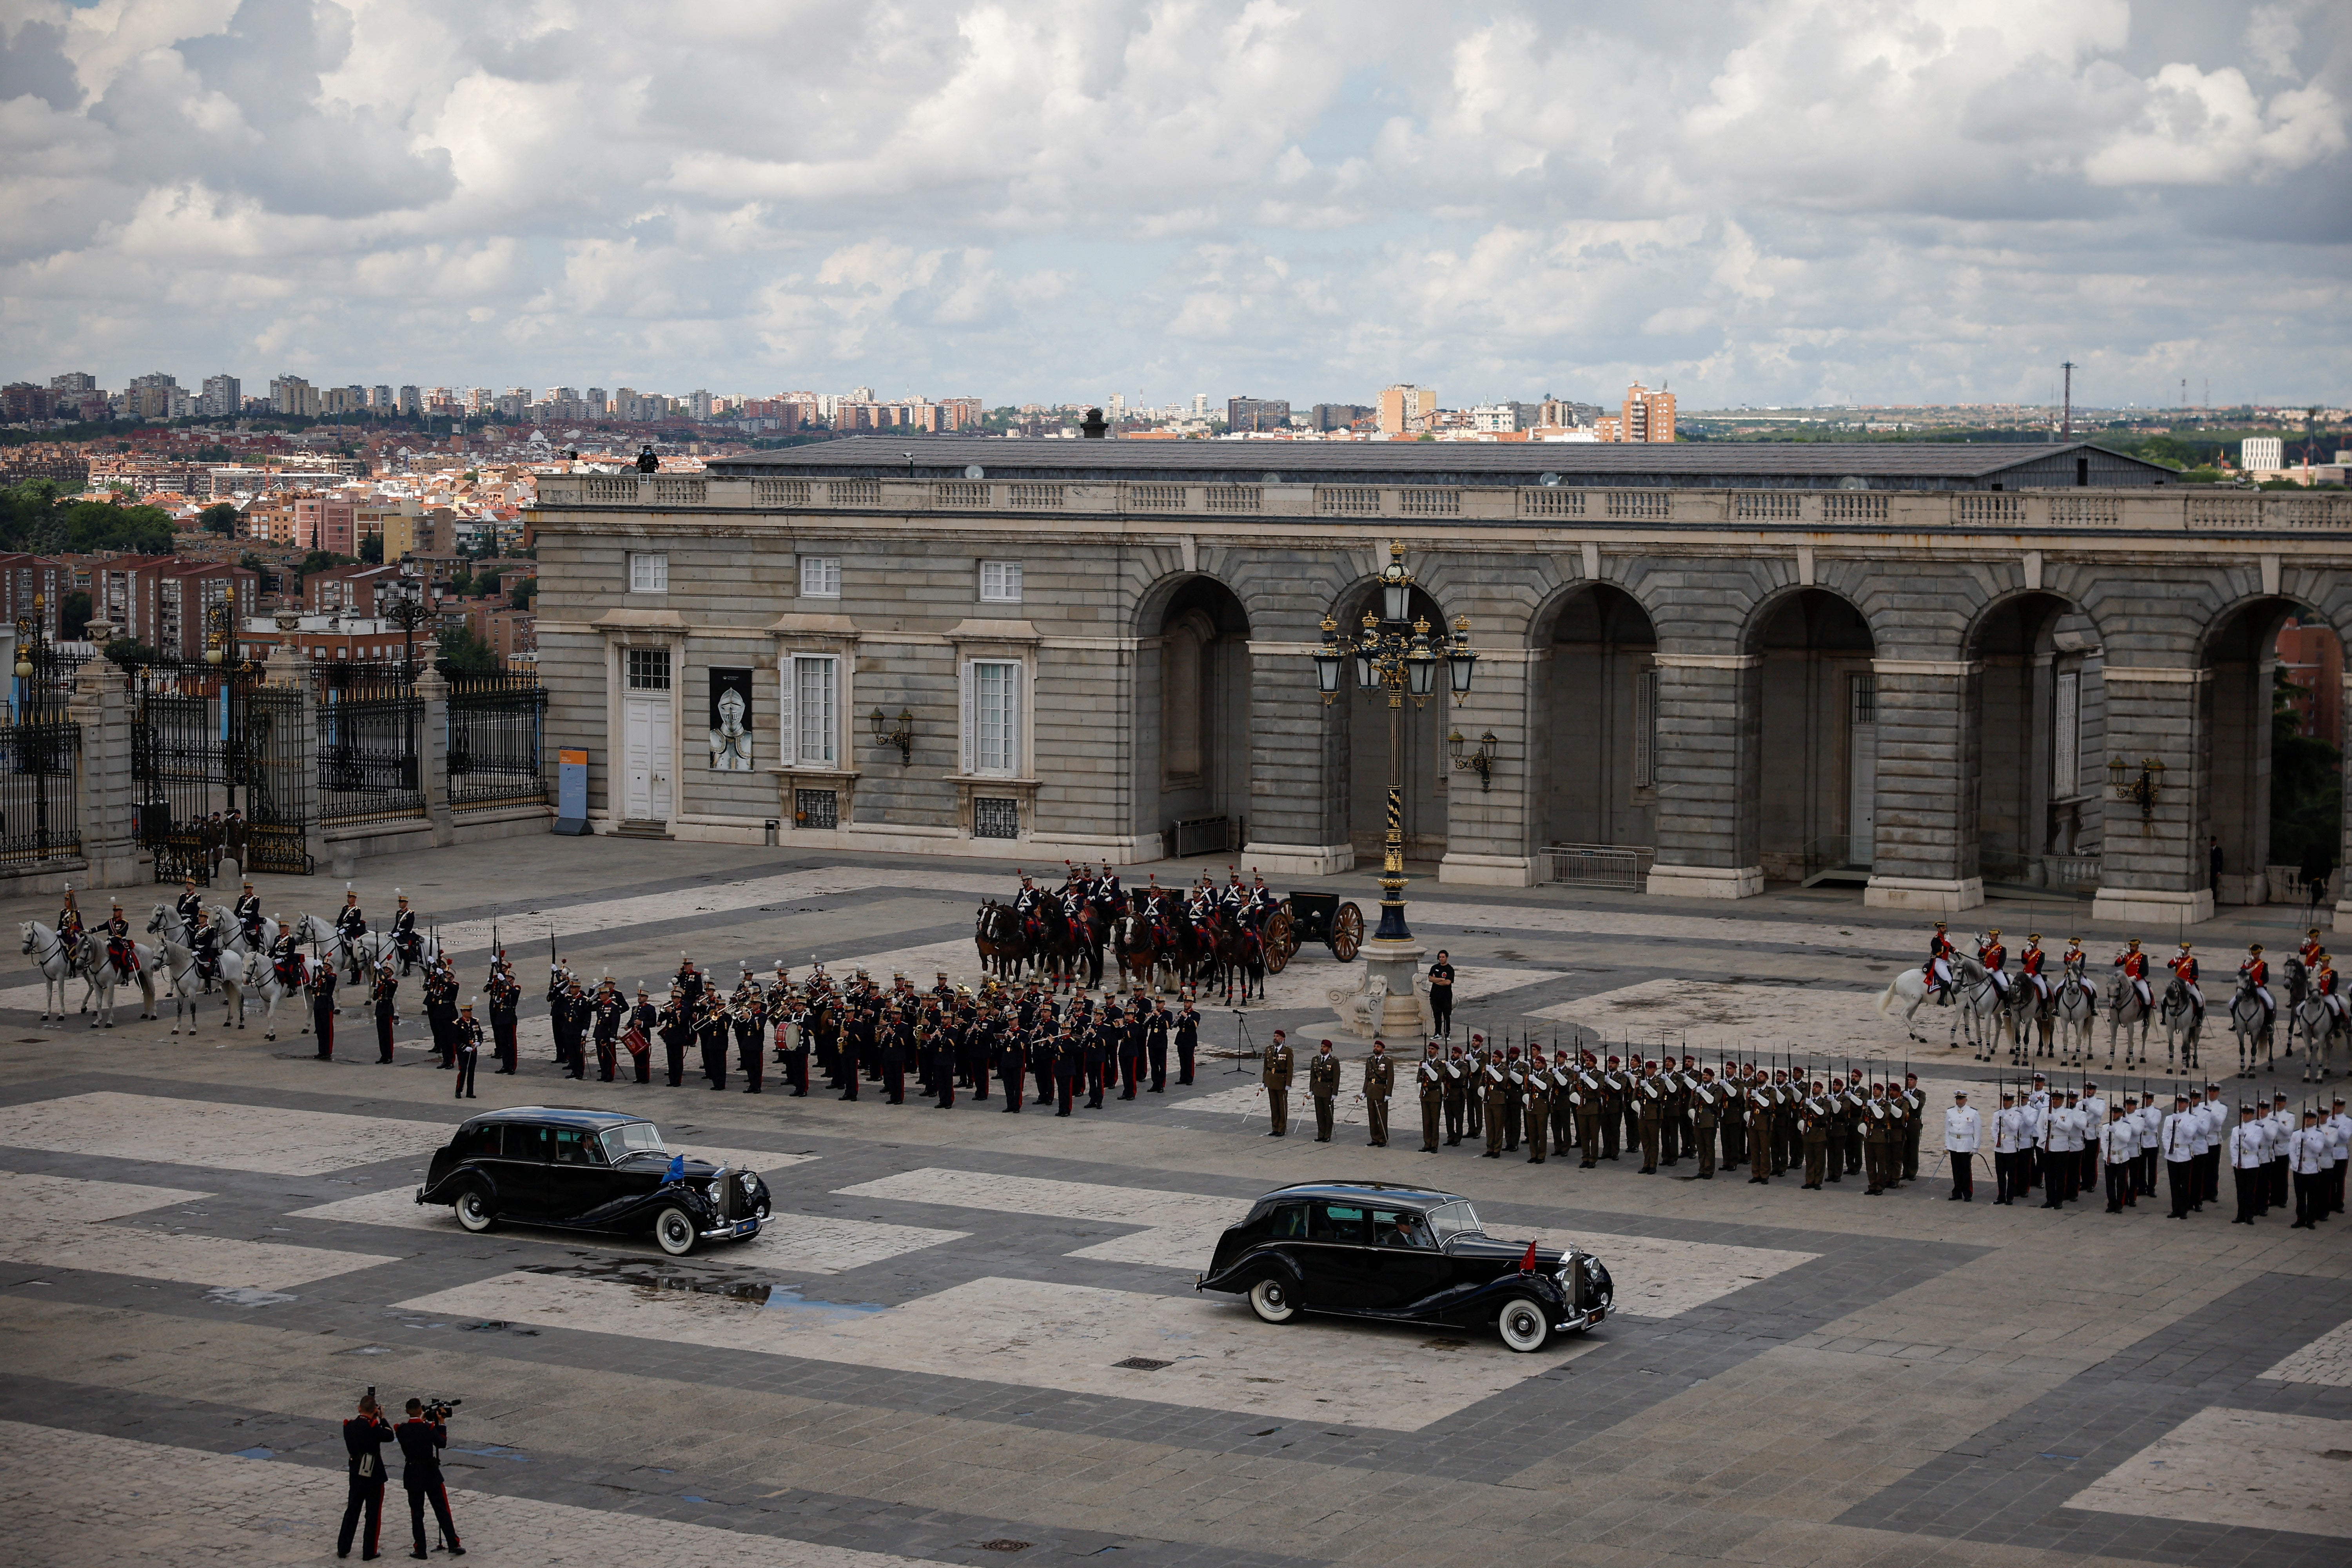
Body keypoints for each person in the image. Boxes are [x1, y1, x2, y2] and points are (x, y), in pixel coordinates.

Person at [393, 1397, 463, 1559]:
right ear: (420, 1410)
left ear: (407, 1412)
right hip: (430, 1472)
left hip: (412, 1473)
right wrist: (442, 1423)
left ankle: (420, 1549)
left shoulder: (402, 1430)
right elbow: (441, 1443)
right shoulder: (428, 1428)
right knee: (442, 1510)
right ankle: (453, 1543)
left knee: (417, 1513)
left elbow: (412, 1430)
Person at [339, 1392, 395, 1559]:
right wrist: (382, 1419)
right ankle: (369, 1551)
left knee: (352, 1511)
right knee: (373, 1514)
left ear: (359, 1409)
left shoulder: (348, 1426)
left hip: (356, 1472)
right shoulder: (374, 1428)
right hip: (373, 1474)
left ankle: (343, 1548)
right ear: (375, 1411)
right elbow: (389, 1435)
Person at [2228, 1103, 2269, 1224]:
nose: (2245, 1116)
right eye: (2244, 1113)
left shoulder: (2258, 1129)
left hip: (2252, 1162)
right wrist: (2236, 1161)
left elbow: (2255, 1145)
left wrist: (2245, 1136)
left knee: (2250, 1190)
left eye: (2248, 1114)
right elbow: (2233, 1147)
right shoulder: (2236, 1129)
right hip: (2239, 1162)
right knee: (2241, 1190)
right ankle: (2240, 1215)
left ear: (2252, 1115)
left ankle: (2249, 1215)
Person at [1944, 1091, 1980, 1200]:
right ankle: (1957, 1192)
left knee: (1966, 1170)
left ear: (1966, 1100)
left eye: (1961, 1099)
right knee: (1956, 1170)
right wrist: (1947, 1146)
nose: (1959, 1101)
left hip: (1966, 1144)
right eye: (1957, 1099)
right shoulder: (1950, 1112)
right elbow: (1947, 1130)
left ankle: (1967, 1193)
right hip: (1954, 1143)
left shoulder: (1973, 1113)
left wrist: (1976, 1147)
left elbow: (1978, 1131)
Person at [1308, 1039, 1341, 1142]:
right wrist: (1311, 1090)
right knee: (1320, 1113)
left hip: (1328, 1089)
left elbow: (1336, 1078)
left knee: (1328, 1113)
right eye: (1322, 1046)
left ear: (1330, 1049)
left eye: (1325, 1047)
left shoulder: (1334, 1061)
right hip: (1318, 1088)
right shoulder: (1316, 1060)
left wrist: (1335, 1092)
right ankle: (1321, 1134)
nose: (1322, 1048)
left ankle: (1327, 1135)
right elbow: (1313, 1075)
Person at [1363, 1038, 1395, 1147]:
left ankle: (1383, 1138)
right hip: (1371, 1090)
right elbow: (1367, 1077)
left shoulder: (1388, 1061)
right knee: (1372, 1116)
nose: (1375, 1048)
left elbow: (1391, 1078)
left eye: (1378, 1047)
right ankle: (1375, 1138)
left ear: (1383, 1049)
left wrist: (1388, 1093)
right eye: (1375, 1046)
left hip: (1381, 1090)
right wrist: (1364, 1092)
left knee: (1382, 1116)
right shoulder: (1370, 1060)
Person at [1260, 1029, 1292, 1136]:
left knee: (1282, 1106)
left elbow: (1290, 1068)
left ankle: (1282, 1128)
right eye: (1274, 1036)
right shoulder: (1269, 1050)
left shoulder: (1287, 1051)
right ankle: (1275, 1127)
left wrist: (1288, 1083)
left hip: (1281, 1081)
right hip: (1271, 1081)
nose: (1275, 1038)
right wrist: (1264, 1081)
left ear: (1283, 1039)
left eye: (1278, 1036)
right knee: (1274, 1105)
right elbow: (1266, 1066)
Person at [310, 955, 338, 1060]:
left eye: (327, 966)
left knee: (328, 1030)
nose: (325, 968)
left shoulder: (333, 976)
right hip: (318, 1004)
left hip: (327, 1004)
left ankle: (328, 1052)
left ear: (331, 968)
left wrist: (318, 967)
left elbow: (325, 976)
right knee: (320, 1029)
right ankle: (321, 1051)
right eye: (324, 966)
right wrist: (313, 986)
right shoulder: (320, 978)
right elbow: (315, 991)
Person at [452, 1000, 480, 1099]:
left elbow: (479, 1034)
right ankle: (459, 1090)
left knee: (472, 1071)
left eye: (471, 1011)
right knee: (463, 1070)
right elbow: (455, 1039)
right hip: (463, 1051)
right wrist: (464, 1047)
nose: (470, 1013)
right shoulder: (458, 1023)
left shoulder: (474, 1022)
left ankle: (470, 1092)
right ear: (463, 1012)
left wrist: (479, 1042)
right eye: (468, 1011)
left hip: (473, 1050)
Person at [1426, 951, 1455, 1039]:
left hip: (1446, 997)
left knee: (1447, 1016)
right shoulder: (1435, 967)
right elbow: (1430, 978)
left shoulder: (1450, 969)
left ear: (1447, 958)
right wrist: (1440, 979)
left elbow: (1448, 982)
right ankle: (1438, 1033)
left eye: (1443, 957)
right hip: (1435, 996)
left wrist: (1436, 981)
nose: (1442, 959)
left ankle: (1447, 1034)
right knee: (1437, 1016)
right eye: (1440, 957)